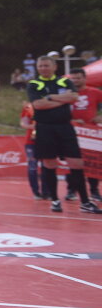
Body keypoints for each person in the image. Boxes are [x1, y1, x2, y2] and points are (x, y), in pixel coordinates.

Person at [26, 56, 96, 214]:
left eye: (46, 65)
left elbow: (74, 97)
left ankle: (85, 202)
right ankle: (55, 200)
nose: (43, 68)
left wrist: (50, 98)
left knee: (76, 164)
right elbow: (38, 105)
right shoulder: (33, 84)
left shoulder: (65, 81)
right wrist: (63, 100)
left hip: (65, 127)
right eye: (40, 66)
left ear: (54, 67)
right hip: (45, 128)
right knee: (50, 164)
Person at [67, 68, 102, 203]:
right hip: (72, 132)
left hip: (91, 133)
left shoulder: (94, 92)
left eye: (78, 78)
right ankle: (71, 190)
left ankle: (94, 190)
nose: (75, 81)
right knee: (72, 161)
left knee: (93, 161)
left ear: (84, 78)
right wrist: (72, 121)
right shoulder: (66, 94)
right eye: (73, 78)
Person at [19, 101, 42, 199]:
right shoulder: (28, 107)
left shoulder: (51, 104)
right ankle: (36, 192)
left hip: (46, 140)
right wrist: (33, 126)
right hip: (31, 141)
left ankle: (47, 191)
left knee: (47, 166)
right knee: (32, 167)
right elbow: (23, 123)